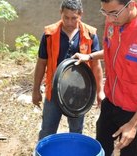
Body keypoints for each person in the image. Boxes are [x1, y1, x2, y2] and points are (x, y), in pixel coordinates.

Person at [72, 0, 137, 155]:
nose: (109, 19)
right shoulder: (114, 20)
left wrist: (133, 124)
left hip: (134, 109)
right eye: (105, 12)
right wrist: (89, 56)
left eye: (113, 13)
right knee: (101, 147)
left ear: (130, 5)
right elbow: (113, 52)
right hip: (110, 100)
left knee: (128, 152)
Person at [32, 0, 104, 141]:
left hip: (80, 92)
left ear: (80, 15)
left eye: (74, 18)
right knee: (47, 130)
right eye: (66, 17)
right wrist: (35, 90)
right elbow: (41, 63)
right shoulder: (49, 34)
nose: (70, 22)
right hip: (54, 91)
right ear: (61, 14)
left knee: (76, 131)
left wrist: (100, 91)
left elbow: (96, 65)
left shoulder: (90, 34)